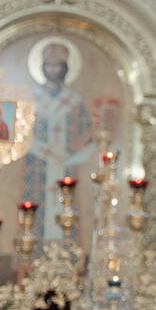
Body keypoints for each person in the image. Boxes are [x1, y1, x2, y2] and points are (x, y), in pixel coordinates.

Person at [24, 42, 94, 241]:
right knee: (34, 206)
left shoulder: (74, 100)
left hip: (67, 166)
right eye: (49, 65)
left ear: (65, 69)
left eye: (58, 65)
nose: (53, 70)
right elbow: (23, 131)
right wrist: (42, 150)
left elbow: (87, 134)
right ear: (42, 67)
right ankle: (33, 253)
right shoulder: (31, 97)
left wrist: (72, 155)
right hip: (37, 166)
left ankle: (68, 253)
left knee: (67, 205)